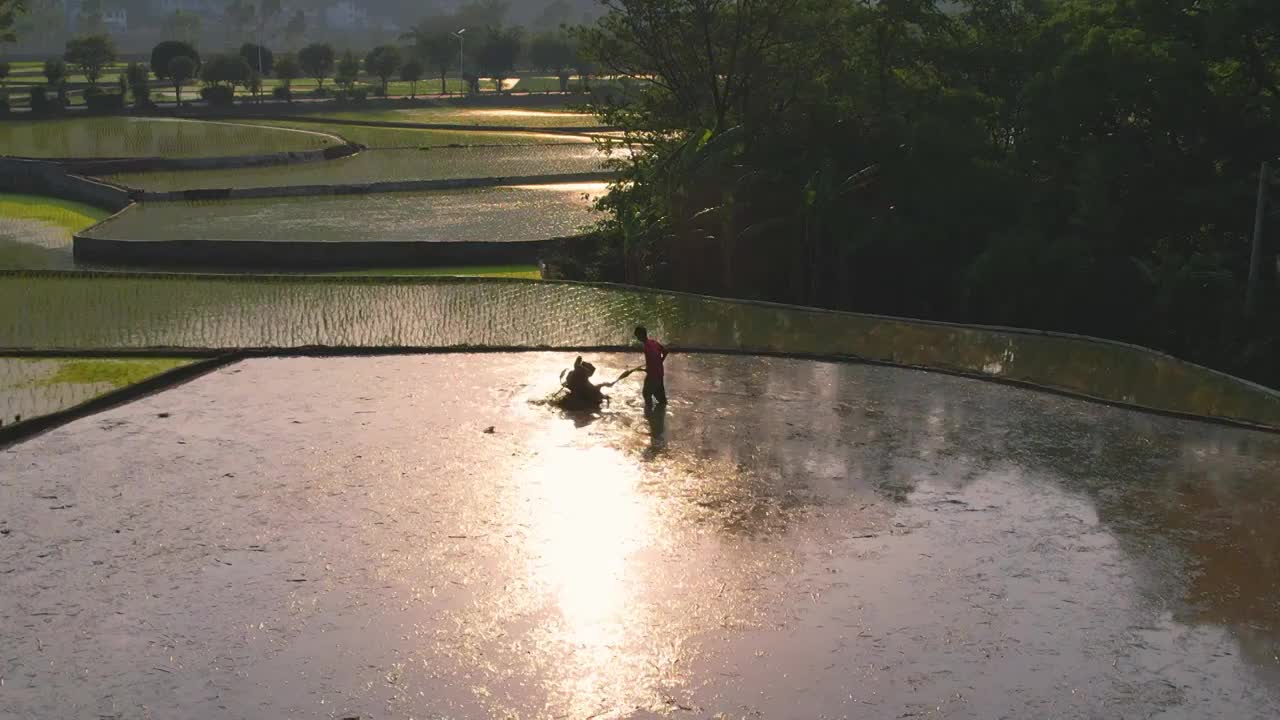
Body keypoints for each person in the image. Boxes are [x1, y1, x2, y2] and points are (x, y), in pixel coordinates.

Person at [635, 326, 668, 410]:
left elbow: (652, 358)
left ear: (641, 335)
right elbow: (665, 351)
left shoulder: (647, 347)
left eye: (637, 336)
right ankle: (661, 411)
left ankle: (649, 411)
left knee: (646, 393)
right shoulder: (653, 342)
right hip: (660, 372)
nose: (637, 338)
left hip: (653, 374)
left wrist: (646, 369)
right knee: (661, 397)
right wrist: (660, 361)